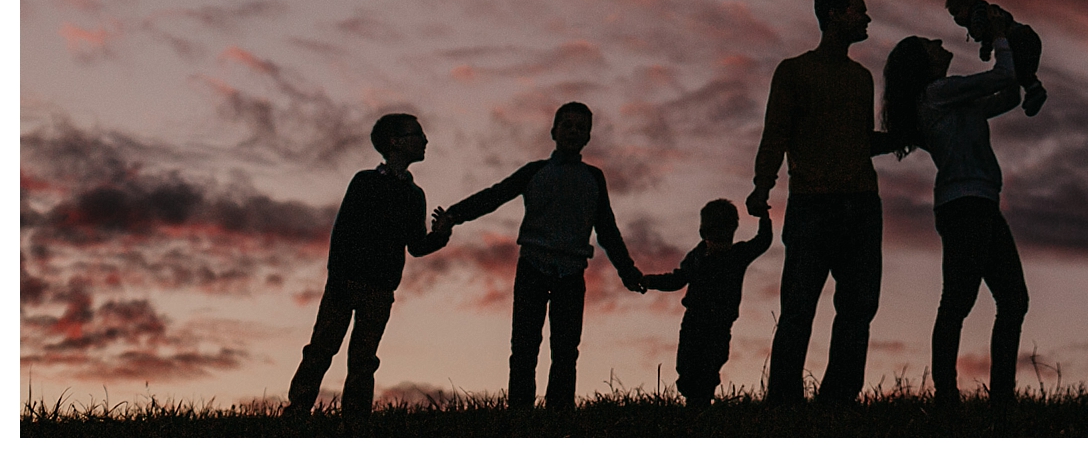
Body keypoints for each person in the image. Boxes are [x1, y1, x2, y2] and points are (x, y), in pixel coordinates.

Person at [438, 101, 647, 412]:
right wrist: (455, 214)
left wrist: (628, 271)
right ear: (554, 131)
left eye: (581, 127)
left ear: (588, 137)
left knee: (565, 351)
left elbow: (607, 229)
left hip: (572, 273)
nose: (574, 131)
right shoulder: (535, 172)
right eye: (568, 125)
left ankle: (559, 417)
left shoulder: (594, 178)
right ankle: (520, 416)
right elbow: (496, 195)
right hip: (532, 268)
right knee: (523, 348)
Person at [748, 0, 898, 407]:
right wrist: (762, 185)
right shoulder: (794, 71)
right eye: (859, 11)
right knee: (798, 308)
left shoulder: (861, 78)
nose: (866, 19)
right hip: (812, 203)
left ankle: (838, 402)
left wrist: (904, 137)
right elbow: (775, 132)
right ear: (834, 14)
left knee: (858, 309)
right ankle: (783, 404)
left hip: (863, 205)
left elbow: (858, 139)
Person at [883, 11, 1029, 406]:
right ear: (923, 63)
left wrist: (1020, 61)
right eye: (931, 45)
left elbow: (1009, 93)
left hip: (979, 202)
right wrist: (999, 37)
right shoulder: (937, 94)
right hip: (964, 205)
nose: (941, 44)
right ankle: (946, 394)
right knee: (959, 301)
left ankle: (1000, 397)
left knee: (1012, 300)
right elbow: (1000, 79)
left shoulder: (956, 101)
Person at [285, 113, 452, 431]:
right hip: (345, 282)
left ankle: (355, 422)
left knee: (363, 360)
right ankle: (296, 413)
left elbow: (416, 246)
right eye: (417, 134)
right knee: (321, 348)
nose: (425, 140)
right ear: (396, 142)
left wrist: (441, 235)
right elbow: (342, 232)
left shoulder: (415, 195)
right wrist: (338, 277)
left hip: (380, 290)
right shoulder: (365, 182)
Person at [642, 198, 775, 407]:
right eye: (715, 235)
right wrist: (649, 281)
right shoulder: (697, 256)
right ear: (704, 233)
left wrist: (764, 217)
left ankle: (700, 403)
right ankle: (694, 400)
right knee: (687, 363)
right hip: (694, 319)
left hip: (719, 322)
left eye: (725, 236)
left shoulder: (737, 254)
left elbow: (762, 241)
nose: (720, 242)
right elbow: (677, 279)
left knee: (710, 363)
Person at [946, 0, 1048, 117]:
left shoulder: (980, 11)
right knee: (1020, 71)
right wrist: (986, 48)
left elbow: (982, 27)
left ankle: (1035, 90)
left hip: (1020, 38)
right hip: (1024, 38)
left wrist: (978, 34)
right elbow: (989, 36)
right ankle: (1032, 90)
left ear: (967, 5)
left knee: (1019, 71)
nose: (956, 18)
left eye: (956, 12)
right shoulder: (984, 13)